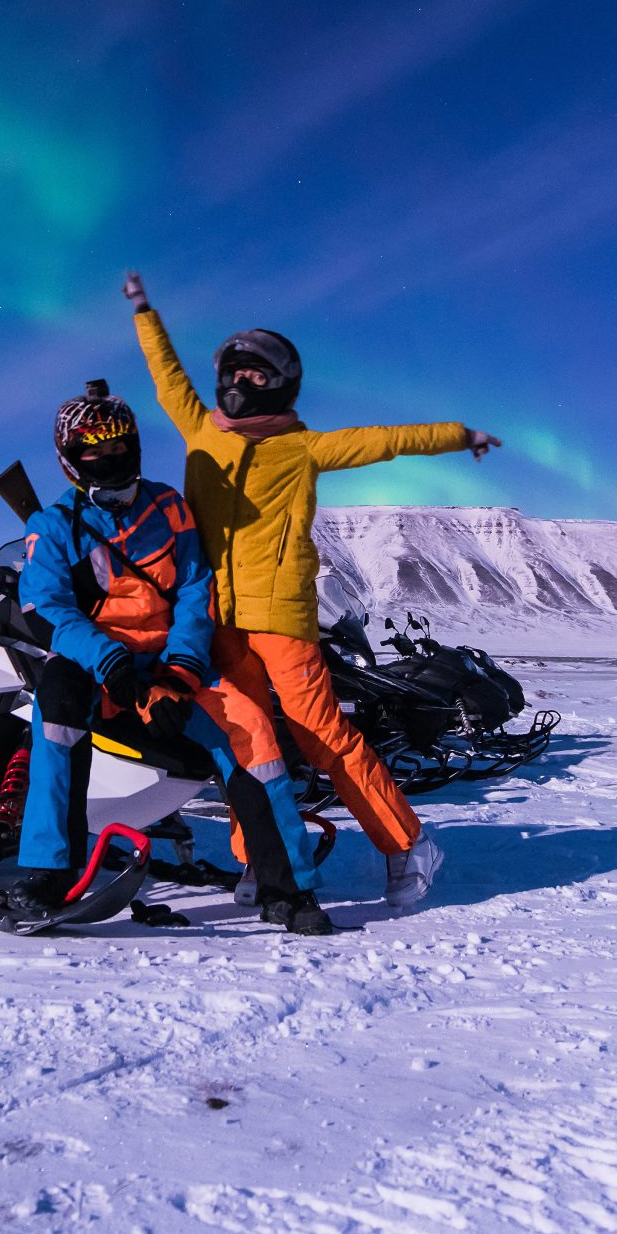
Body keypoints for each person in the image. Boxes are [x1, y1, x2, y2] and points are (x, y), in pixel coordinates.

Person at [122, 271, 502, 909]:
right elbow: (166, 375)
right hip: (214, 618)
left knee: (321, 735)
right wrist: (144, 311)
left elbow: (389, 441)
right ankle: (260, 861)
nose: (243, 383)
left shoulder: (304, 449)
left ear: (282, 384)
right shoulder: (201, 431)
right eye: (236, 372)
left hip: (282, 616)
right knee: (245, 743)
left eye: (257, 375)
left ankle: (408, 844)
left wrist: (461, 435)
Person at [12, 379, 335, 934]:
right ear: (71, 460)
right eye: (95, 452)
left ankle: (288, 887)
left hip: (174, 660)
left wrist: (181, 672)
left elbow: (194, 591)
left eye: (119, 448)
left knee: (254, 734)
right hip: (96, 662)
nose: (110, 460)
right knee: (56, 707)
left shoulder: (170, 509)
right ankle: (48, 873)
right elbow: (47, 608)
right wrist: (112, 666)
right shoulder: (54, 526)